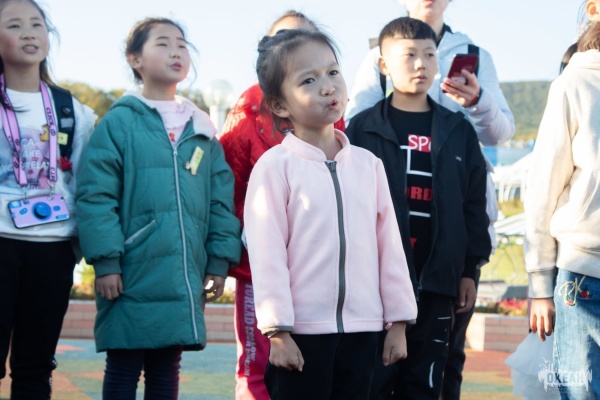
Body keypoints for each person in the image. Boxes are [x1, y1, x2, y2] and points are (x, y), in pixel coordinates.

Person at [346, 2, 514, 398]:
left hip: (439, 277)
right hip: (375, 280)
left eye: (429, 56)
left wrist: (470, 268)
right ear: (383, 65)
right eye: (409, 56)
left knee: (433, 377)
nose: (420, 64)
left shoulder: (458, 128)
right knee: (371, 379)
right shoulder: (363, 130)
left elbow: (473, 203)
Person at [244, 28, 418, 400]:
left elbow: (390, 246)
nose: (327, 87)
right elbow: (267, 255)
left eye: (332, 72)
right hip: (301, 334)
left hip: (363, 331)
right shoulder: (274, 167)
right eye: (308, 80)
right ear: (279, 105)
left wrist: (399, 321)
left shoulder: (368, 165)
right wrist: (278, 331)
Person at [75, 17, 241, 398]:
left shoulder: (202, 130)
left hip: (182, 275)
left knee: (167, 371)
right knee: (123, 368)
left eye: (182, 45)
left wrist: (218, 261)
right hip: (131, 271)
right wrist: (106, 261)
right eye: (163, 44)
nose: (176, 52)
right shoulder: (118, 123)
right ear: (135, 59)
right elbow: (96, 196)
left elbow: (220, 203)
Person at [219, 11, 345, 400]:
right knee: (258, 360)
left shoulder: (335, 116)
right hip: (258, 266)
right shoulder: (246, 110)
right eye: (285, 38)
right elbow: (227, 186)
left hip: (316, 269)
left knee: (311, 365)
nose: (298, 47)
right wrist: (230, 251)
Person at [0, 0, 96, 396]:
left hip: (53, 247)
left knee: (35, 366)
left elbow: (86, 184)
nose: (28, 32)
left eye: (36, 24)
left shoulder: (73, 111)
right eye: (14, 25)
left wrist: (83, 248)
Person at [526, 1, 600, 398]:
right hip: (585, 278)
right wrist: (540, 284)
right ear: (594, 8)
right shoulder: (574, 84)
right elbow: (543, 186)